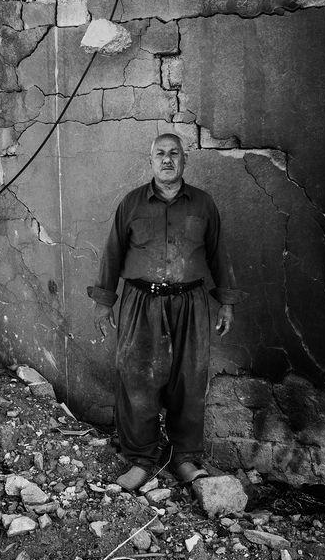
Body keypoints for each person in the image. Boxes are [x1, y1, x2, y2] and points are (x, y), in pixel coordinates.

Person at [88, 133, 241, 491]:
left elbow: (219, 254)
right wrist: (103, 302)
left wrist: (228, 302)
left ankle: (185, 458)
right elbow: (112, 253)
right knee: (136, 378)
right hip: (142, 302)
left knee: (190, 379)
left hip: (190, 302)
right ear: (151, 161)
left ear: (184, 161)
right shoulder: (132, 204)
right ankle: (141, 459)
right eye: (160, 154)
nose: (167, 160)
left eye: (174, 154)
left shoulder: (203, 204)